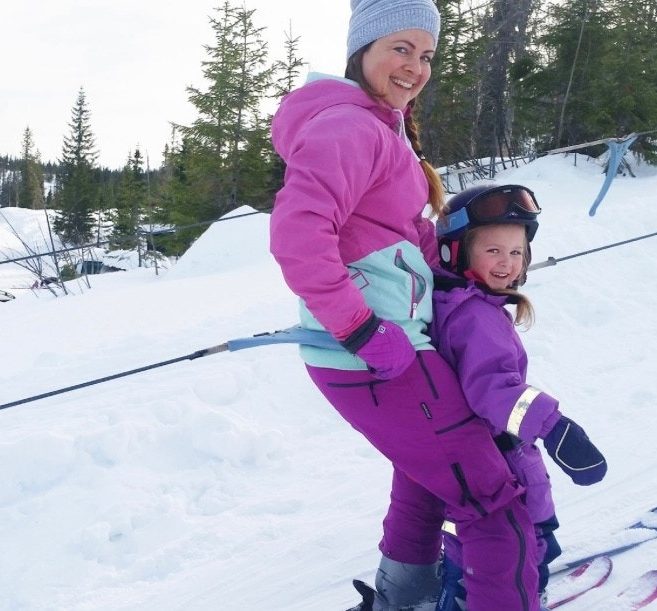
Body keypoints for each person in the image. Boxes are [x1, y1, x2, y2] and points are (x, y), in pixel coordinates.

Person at [269, 1, 543, 609]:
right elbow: (298, 236)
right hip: (377, 353)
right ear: (362, 49)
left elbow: (399, 233)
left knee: (430, 474)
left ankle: (402, 598)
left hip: (385, 346)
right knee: (493, 499)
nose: (415, 67)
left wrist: (455, 282)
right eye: (401, 48)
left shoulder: (377, 125)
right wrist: (362, 329)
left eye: (426, 55)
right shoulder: (349, 127)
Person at [430, 183, 608, 610]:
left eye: (516, 252)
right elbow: (493, 389)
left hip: (465, 456)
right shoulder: (475, 317)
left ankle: (458, 593)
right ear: (456, 252)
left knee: (469, 538)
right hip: (502, 456)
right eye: (492, 251)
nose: (507, 263)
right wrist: (554, 426)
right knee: (527, 537)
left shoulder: (449, 301)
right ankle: (520, 594)